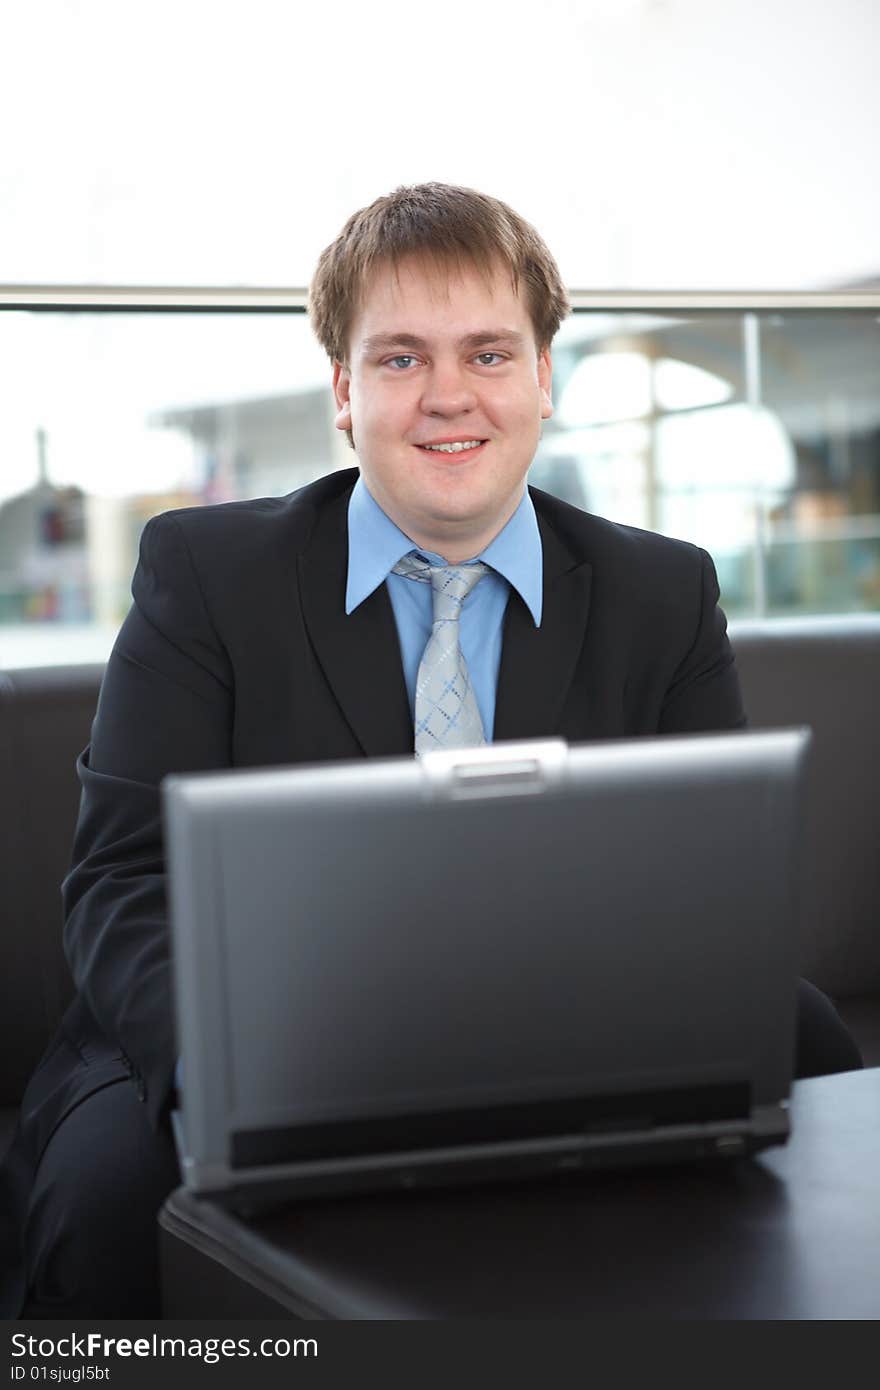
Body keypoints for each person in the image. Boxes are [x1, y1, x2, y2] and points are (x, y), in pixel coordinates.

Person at [0, 183, 862, 1319]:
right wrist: (236, 1076)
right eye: (400, 358)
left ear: (543, 379)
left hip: (561, 1015)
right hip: (231, 1037)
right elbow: (119, 882)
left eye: (489, 353)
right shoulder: (205, 575)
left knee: (810, 1044)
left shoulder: (665, 588)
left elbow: (709, 890)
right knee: (111, 1200)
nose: (448, 395)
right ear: (345, 393)